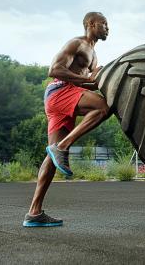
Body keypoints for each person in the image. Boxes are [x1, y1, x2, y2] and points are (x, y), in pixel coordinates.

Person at [23, 12, 110, 227]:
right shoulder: (78, 44)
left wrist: (97, 80)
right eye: (104, 24)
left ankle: (34, 213)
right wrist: (86, 80)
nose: (108, 28)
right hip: (60, 91)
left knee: (52, 156)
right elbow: (54, 69)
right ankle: (62, 146)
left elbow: (89, 83)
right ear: (91, 24)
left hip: (65, 96)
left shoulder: (94, 55)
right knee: (102, 108)